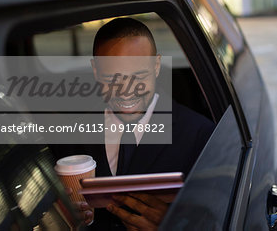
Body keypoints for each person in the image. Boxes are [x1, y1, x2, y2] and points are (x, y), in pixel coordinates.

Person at [50, 18, 214, 230]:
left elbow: (216, 218)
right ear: (96, 70)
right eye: (112, 77)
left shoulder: (201, 135)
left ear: (156, 66)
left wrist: (175, 225)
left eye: (139, 76)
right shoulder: (70, 135)